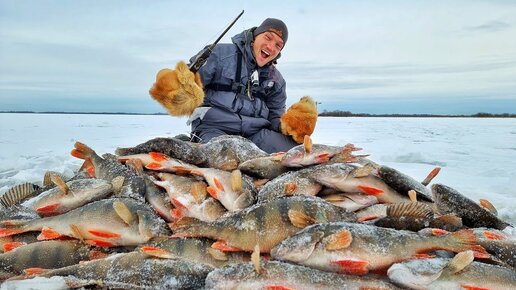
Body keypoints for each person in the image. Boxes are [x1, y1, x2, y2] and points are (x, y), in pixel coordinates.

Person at [149, 18, 318, 154]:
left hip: (256, 133)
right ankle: (192, 145)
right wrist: (177, 88)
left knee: (298, 153)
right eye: (268, 37)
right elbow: (190, 81)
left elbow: (275, 116)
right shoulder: (219, 54)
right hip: (215, 127)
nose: (271, 46)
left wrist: (288, 125)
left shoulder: (277, 81)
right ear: (254, 36)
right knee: (222, 157)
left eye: (278, 45)